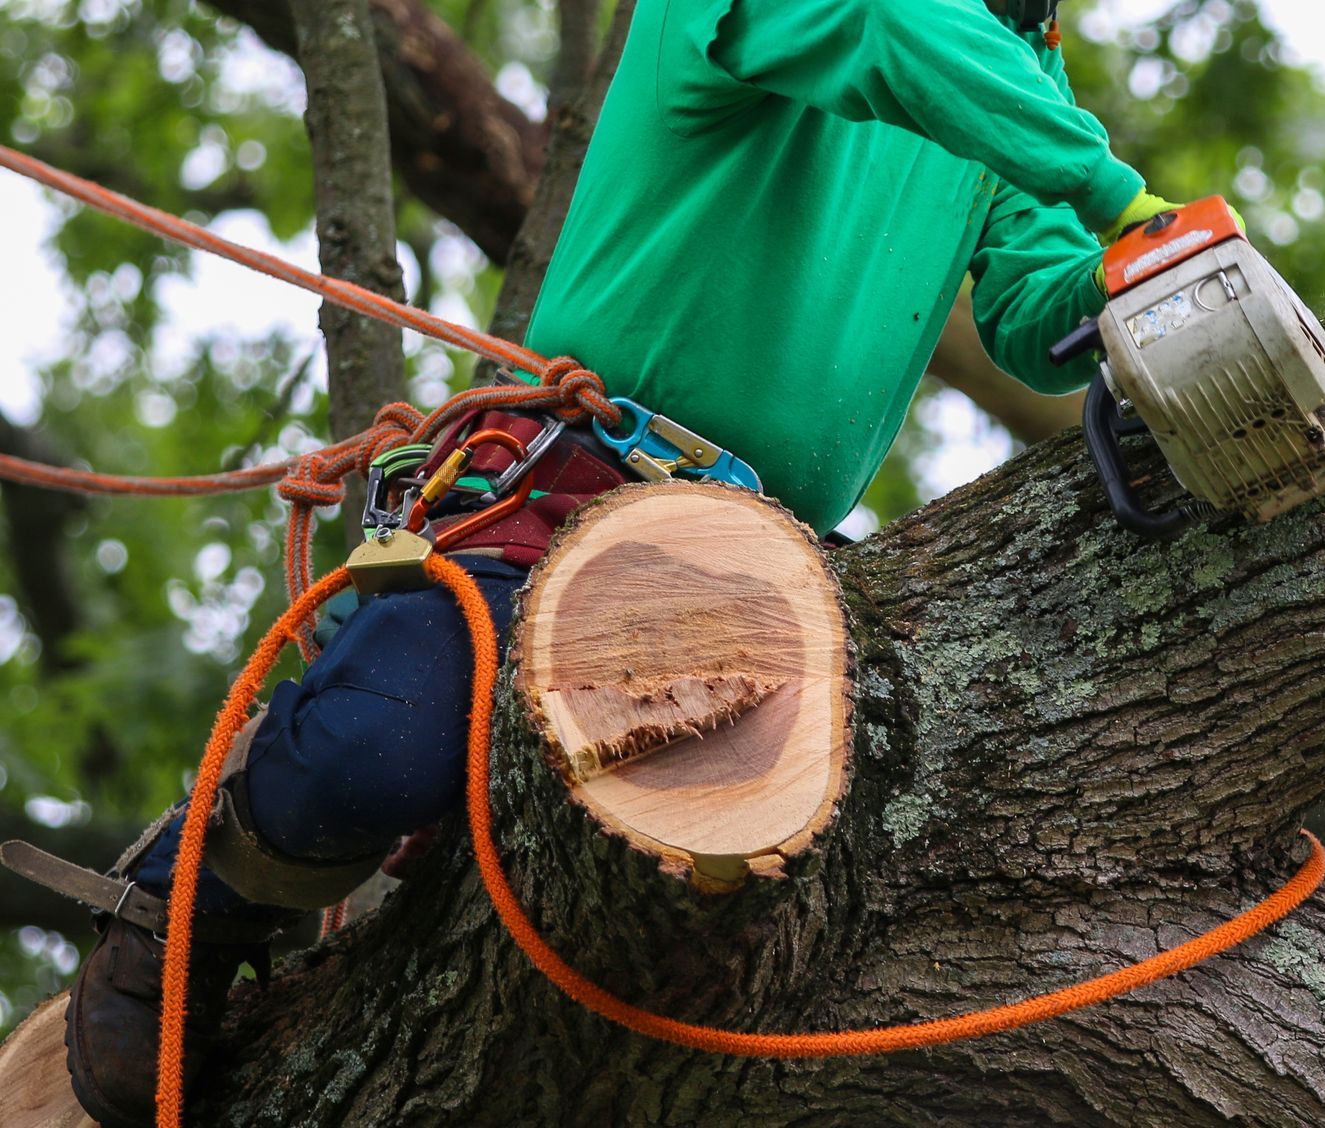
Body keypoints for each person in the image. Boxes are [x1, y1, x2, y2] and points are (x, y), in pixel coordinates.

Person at [34, 2, 1208, 1124]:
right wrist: (1124, 198)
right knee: (372, 755)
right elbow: (887, 27)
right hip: (566, 490)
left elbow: (1027, 302)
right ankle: (184, 905)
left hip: (764, 560)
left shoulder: (1017, 74)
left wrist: (1136, 281)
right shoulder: (897, 30)